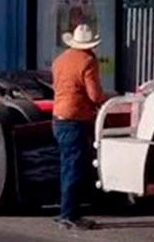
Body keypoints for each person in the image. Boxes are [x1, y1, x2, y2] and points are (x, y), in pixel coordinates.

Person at [51, 23, 109, 230]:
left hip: (59, 117)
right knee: (74, 168)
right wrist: (106, 99)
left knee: (67, 166)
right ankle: (69, 215)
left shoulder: (60, 60)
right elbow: (94, 94)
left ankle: (67, 210)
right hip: (76, 119)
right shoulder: (87, 61)